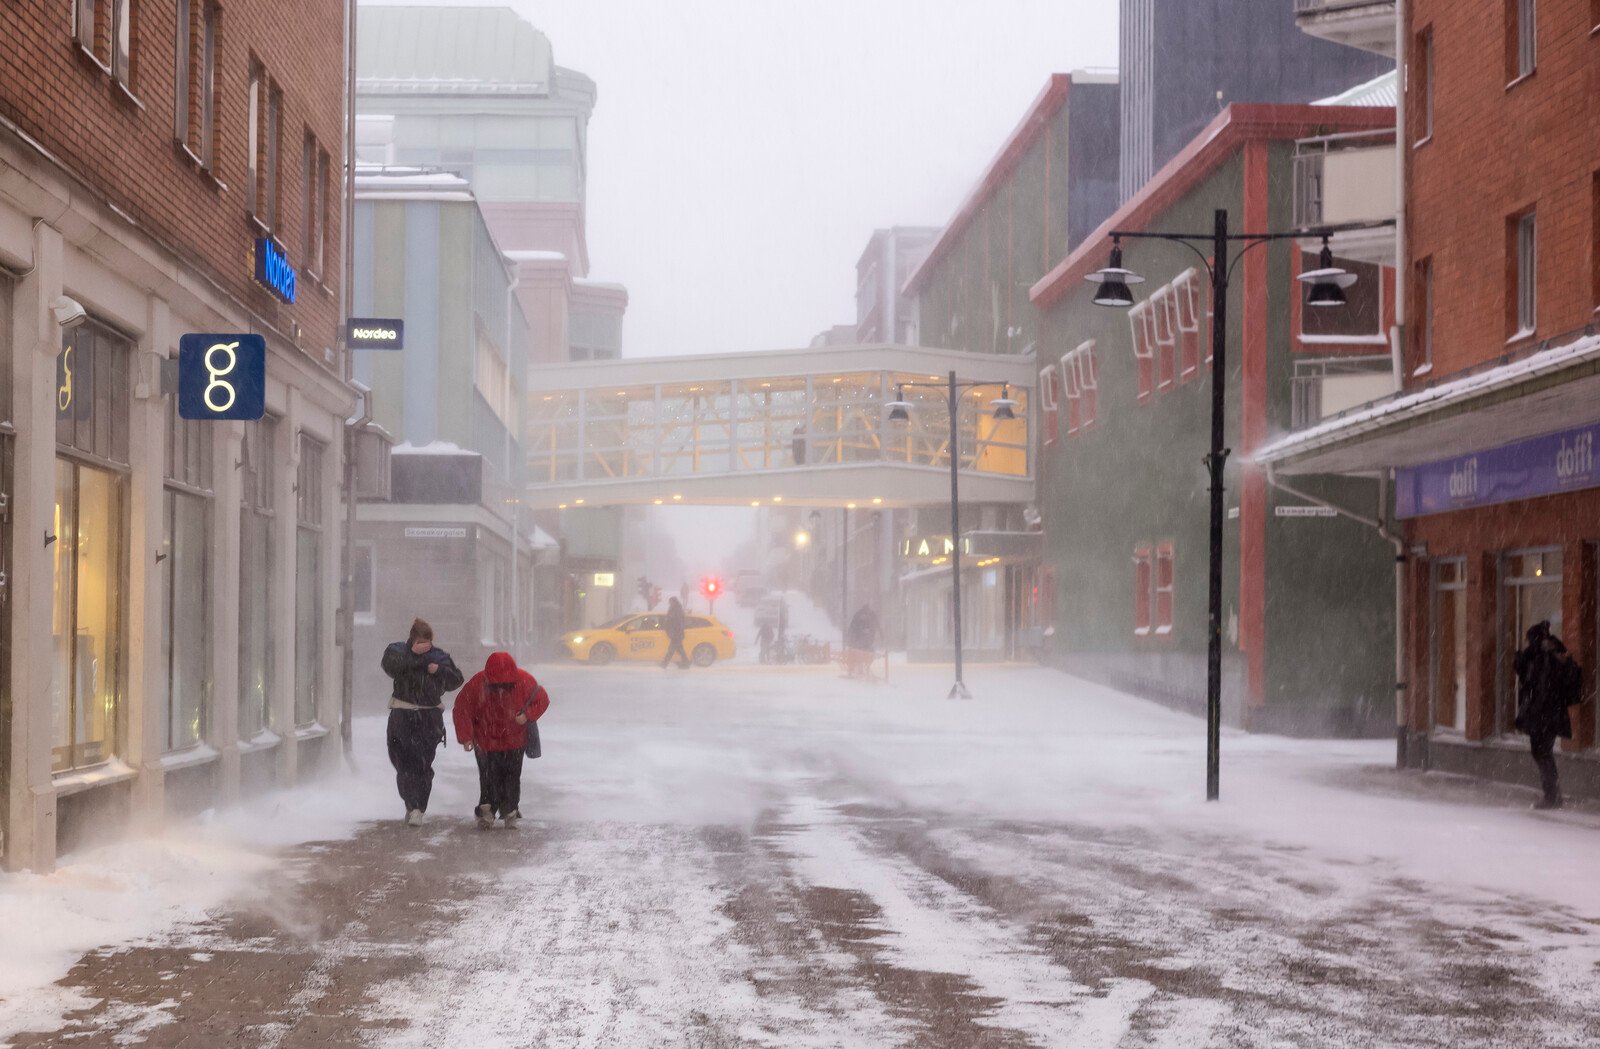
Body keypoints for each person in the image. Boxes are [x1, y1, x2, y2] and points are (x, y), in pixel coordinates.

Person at [453, 651, 550, 830]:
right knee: (497, 778)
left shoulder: (483, 683)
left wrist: (527, 715)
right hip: (494, 742)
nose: (500, 689)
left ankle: (501, 810)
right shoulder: (521, 680)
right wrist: (466, 737)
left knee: (502, 778)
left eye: (505, 685)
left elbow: (542, 700)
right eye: (496, 685)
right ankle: (501, 810)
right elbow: (462, 709)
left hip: (502, 741)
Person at [382, 618, 464, 826]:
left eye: (427, 641)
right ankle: (410, 804)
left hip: (428, 718)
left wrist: (439, 671)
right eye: (420, 641)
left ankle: (418, 807)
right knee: (402, 764)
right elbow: (390, 666)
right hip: (402, 714)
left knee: (423, 764)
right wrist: (417, 660)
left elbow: (456, 679)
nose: (425, 645)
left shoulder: (439, 657)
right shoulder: (397, 651)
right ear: (412, 639)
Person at [1513, 620, 1583, 810]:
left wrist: (1535, 713)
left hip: (1544, 714)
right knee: (1543, 752)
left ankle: (1552, 796)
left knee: (1541, 752)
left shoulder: (1540, 656)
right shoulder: (1553, 652)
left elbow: (1534, 684)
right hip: (1552, 714)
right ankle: (1553, 794)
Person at [845, 605, 880, 678]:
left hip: (860, 644)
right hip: (859, 643)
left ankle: (861, 669)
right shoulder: (861, 618)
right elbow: (856, 630)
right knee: (862, 654)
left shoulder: (859, 617)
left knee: (864, 654)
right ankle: (861, 669)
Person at [660, 596, 690, 669]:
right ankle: (686, 663)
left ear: (674, 602)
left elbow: (678, 622)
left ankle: (664, 664)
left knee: (671, 649)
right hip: (675, 633)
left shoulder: (677, 610)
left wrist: (673, 631)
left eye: (671, 602)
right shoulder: (674, 609)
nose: (670, 603)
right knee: (679, 649)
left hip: (676, 633)